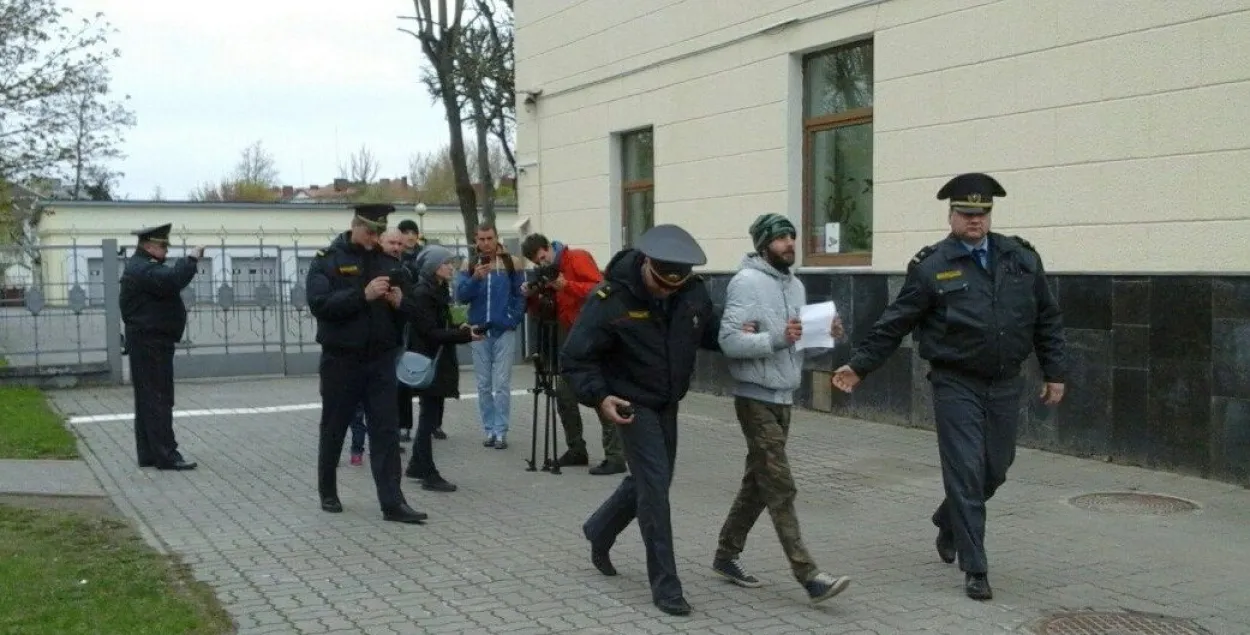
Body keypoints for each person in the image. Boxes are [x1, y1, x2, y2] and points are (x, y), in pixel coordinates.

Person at [830, 173, 1067, 601]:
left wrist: (1055, 372)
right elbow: (894, 322)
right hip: (955, 383)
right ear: (951, 214)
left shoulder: (1021, 259)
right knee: (965, 471)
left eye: (982, 213)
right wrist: (859, 366)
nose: (975, 221)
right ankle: (975, 568)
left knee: (996, 467)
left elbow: (1046, 318)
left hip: (1005, 382)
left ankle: (948, 518)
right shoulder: (932, 266)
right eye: (966, 213)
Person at [562, 224, 725, 617]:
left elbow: (710, 333)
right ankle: (667, 587)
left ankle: (599, 529)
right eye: (662, 282)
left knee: (652, 480)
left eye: (677, 283)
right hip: (631, 402)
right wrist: (600, 397)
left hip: (667, 401)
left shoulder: (692, 292)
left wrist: (756, 332)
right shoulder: (610, 299)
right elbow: (575, 356)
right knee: (655, 491)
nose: (668, 290)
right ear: (647, 264)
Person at [711, 213, 853, 604]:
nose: (790, 243)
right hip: (754, 397)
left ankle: (726, 555)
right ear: (763, 246)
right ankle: (809, 575)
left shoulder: (797, 285)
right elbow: (729, 341)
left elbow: (801, 344)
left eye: (792, 236)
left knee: (758, 483)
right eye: (780, 239)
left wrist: (828, 337)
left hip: (784, 396)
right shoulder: (746, 282)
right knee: (780, 485)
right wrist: (776, 337)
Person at [307, 203, 426, 524]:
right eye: (370, 231)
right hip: (341, 360)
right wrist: (363, 295)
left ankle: (393, 502)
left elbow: (414, 307)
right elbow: (319, 305)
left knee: (386, 432)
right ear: (355, 225)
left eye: (379, 232)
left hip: (380, 360)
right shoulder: (327, 261)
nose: (374, 238)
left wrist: (401, 303)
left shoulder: (388, 262)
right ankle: (328, 490)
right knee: (334, 427)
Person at [520, 233, 624, 475]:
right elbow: (546, 311)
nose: (542, 263)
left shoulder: (576, 258)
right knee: (563, 393)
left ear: (548, 248)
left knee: (601, 395)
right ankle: (577, 449)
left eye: (543, 257)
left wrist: (567, 285)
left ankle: (616, 456)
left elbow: (601, 291)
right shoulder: (550, 271)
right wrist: (533, 295)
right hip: (571, 338)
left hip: (596, 336)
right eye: (538, 262)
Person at [119, 223, 202, 471]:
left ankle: (149, 453)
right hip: (150, 342)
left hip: (148, 341)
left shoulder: (142, 266)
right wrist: (191, 258)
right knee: (158, 398)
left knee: (147, 399)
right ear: (148, 245)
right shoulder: (143, 269)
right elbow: (174, 279)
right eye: (162, 245)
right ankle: (166, 455)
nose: (166, 250)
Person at [403, 245, 484, 492]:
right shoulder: (422, 293)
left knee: (432, 413)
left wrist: (463, 328)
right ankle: (428, 472)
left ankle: (417, 464)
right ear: (432, 267)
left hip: (439, 360)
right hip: (429, 360)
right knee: (429, 416)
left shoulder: (439, 289)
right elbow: (430, 332)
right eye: (446, 263)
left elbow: (444, 323)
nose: (451, 266)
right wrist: (463, 336)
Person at [455, 223, 525, 449]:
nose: (485, 243)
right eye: (481, 239)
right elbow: (461, 296)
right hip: (478, 331)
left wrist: (511, 319)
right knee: (483, 384)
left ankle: (501, 431)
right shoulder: (469, 264)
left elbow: (521, 294)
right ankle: (489, 429)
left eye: (489, 238)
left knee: (502, 383)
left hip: (503, 329)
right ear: (476, 240)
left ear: (497, 238)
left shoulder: (510, 262)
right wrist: (475, 278)